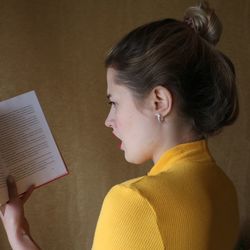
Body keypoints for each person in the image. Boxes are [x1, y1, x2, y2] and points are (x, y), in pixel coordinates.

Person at [0, 1, 240, 249]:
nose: (108, 120)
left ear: (159, 101)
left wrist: (18, 236)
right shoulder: (223, 188)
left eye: (114, 102)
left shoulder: (135, 201)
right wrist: (19, 233)